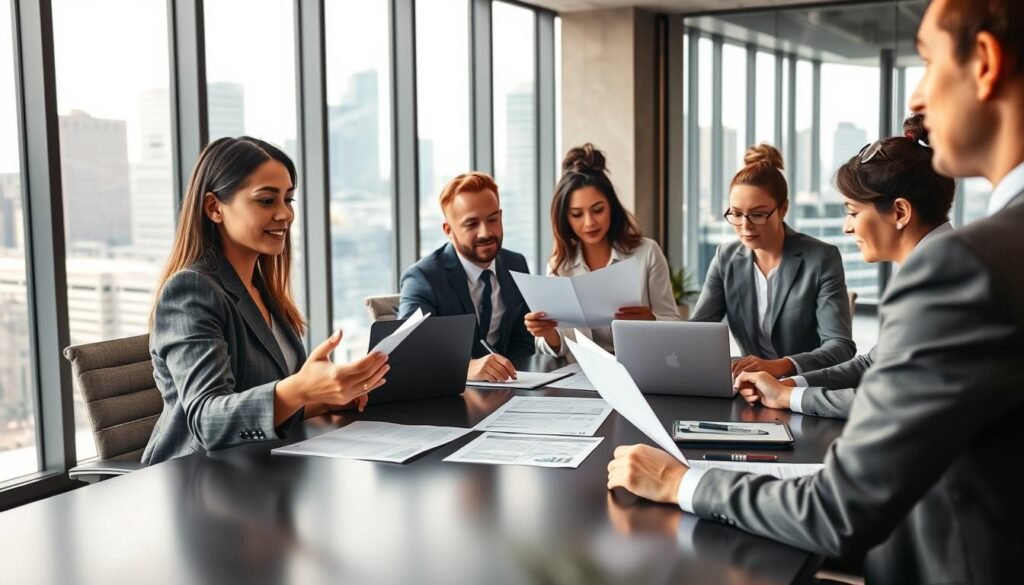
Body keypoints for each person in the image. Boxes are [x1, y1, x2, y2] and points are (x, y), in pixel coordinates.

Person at [607, 0, 1024, 581]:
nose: (917, 99)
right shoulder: (987, 253)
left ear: (982, 62)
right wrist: (786, 392)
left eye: (927, 61)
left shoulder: (964, 266)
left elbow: (839, 509)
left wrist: (680, 481)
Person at [143, 137, 390, 465]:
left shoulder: (263, 290)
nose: (285, 214)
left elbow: (266, 400)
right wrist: (301, 388)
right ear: (214, 208)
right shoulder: (191, 291)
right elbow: (207, 421)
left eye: (288, 199)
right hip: (195, 479)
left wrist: (325, 397)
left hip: (259, 469)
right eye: (266, 200)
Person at [736, 114, 956, 419]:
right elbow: (872, 363)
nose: (846, 228)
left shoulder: (944, 281)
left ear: (900, 212)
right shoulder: (933, 266)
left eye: (853, 212)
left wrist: (792, 396)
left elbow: (896, 403)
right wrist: (787, 384)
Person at [690, 144, 855, 378]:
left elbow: (840, 346)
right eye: (736, 214)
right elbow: (697, 332)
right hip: (749, 388)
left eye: (757, 214)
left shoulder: (821, 259)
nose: (745, 226)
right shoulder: (725, 258)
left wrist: (780, 366)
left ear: (783, 208)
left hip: (801, 386)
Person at [524, 143, 679, 356]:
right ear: (565, 218)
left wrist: (650, 320)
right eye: (577, 214)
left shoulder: (647, 253)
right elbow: (553, 348)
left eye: (598, 210)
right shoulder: (560, 265)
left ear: (611, 207)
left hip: (642, 367)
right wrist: (547, 333)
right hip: (581, 375)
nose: (589, 223)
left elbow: (674, 324)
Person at [399, 172, 534, 382]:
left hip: (510, 390)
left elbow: (524, 342)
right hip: (450, 398)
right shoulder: (423, 278)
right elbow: (408, 350)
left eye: (492, 219)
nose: (485, 233)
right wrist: (467, 368)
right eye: (471, 224)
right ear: (448, 230)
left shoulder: (516, 265)